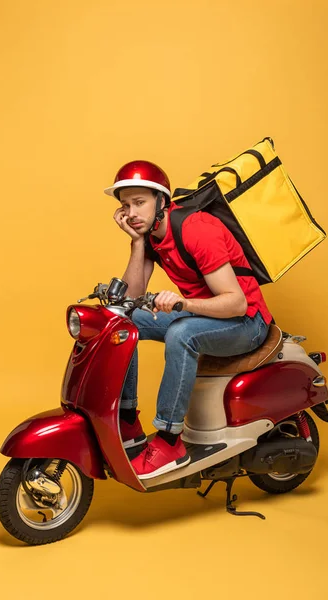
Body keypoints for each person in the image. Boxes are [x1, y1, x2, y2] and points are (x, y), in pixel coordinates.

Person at [104, 160, 273, 480]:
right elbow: (131, 297)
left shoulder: (196, 229)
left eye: (139, 202)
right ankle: (128, 420)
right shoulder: (151, 234)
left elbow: (236, 303)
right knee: (122, 320)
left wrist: (183, 303)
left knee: (181, 333)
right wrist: (137, 242)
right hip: (207, 315)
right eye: (126, 205)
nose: (132, 213)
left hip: (247, 323)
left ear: (162, 202)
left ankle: (169, 441)